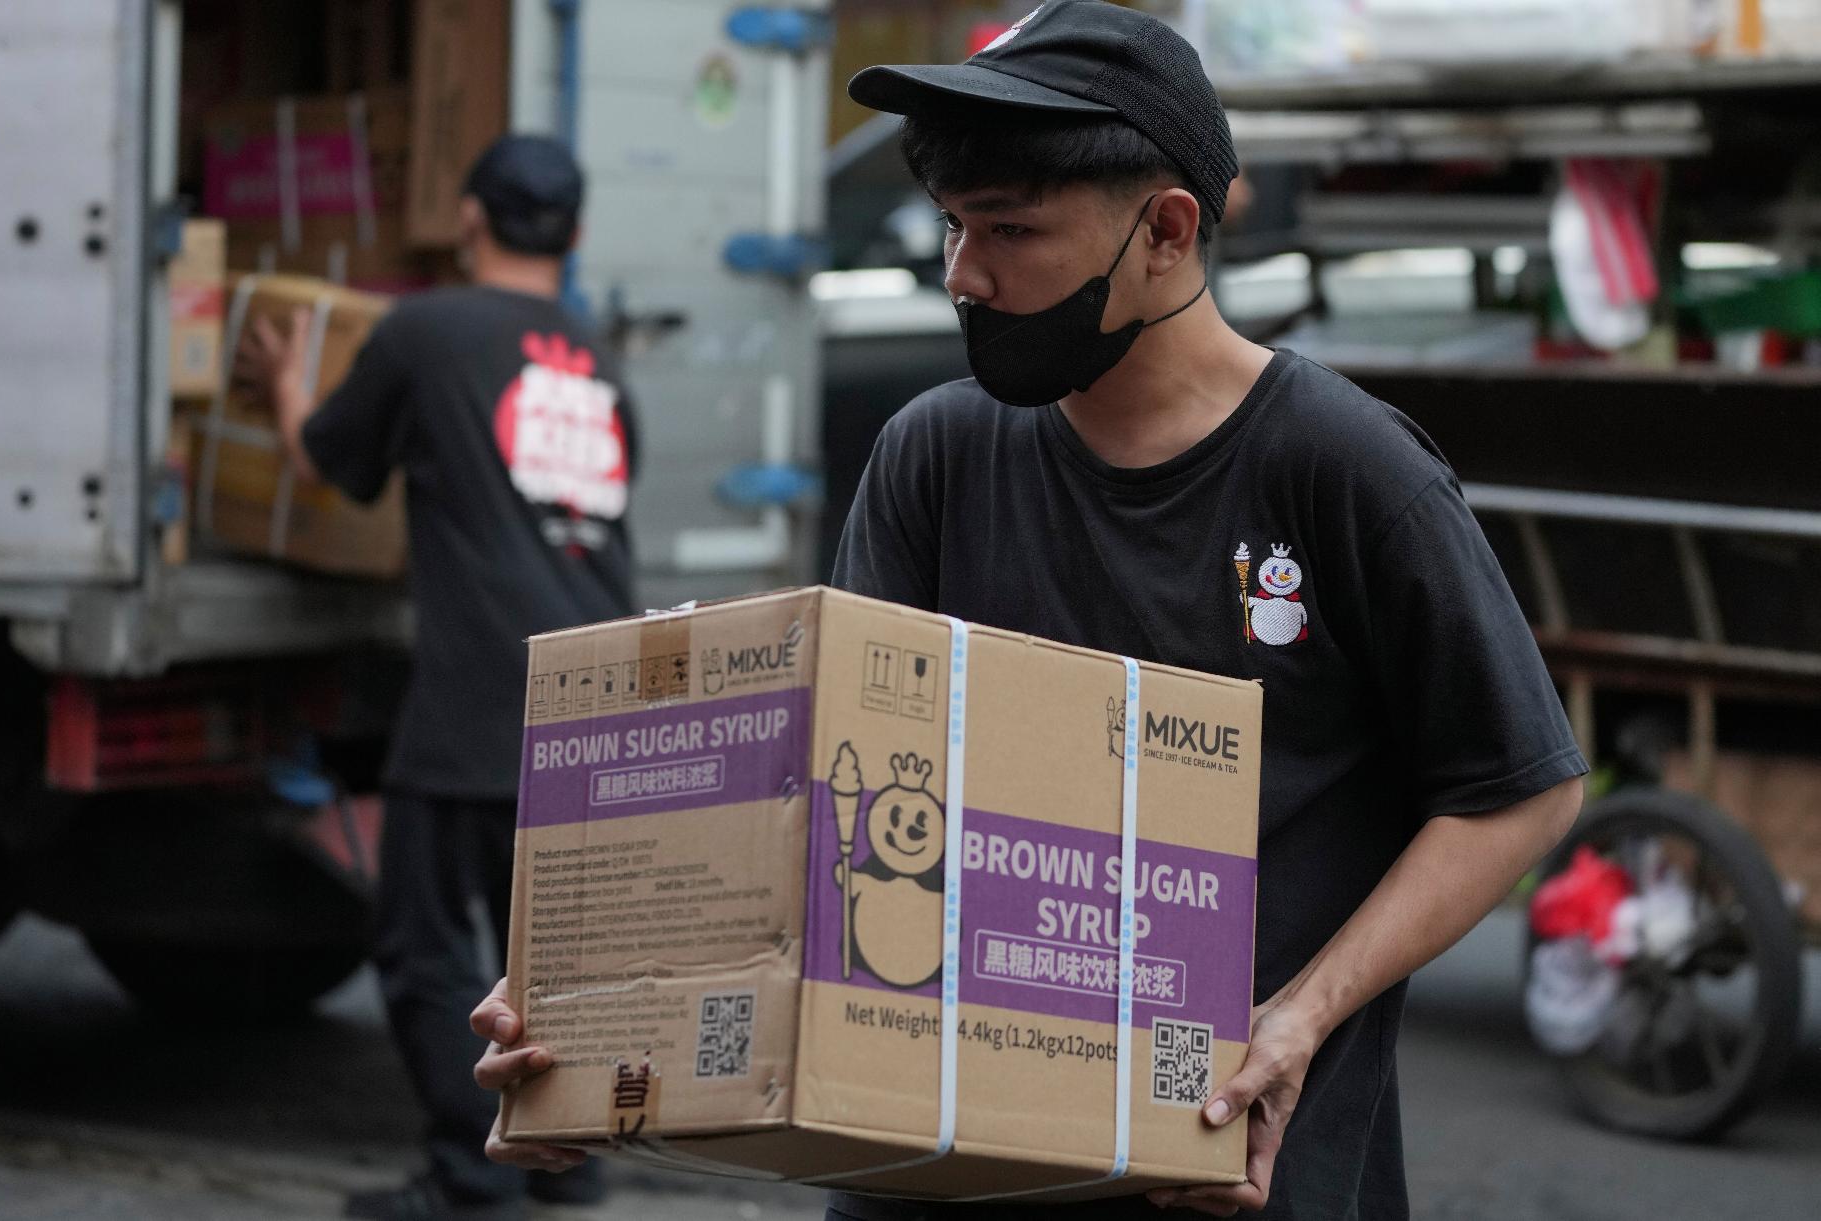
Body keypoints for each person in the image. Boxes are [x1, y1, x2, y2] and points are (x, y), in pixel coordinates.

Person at [468, 4, 1585, 1218]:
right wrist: (595, 1017)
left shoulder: (1344, 471)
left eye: (1008, 230)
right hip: (926, 1165)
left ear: (1164, 231)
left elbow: (1518, 787)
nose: (962, 275)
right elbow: (828, 795)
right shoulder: (935, 455)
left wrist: (1299, 1019)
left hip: (1221, 1169)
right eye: (953, 227)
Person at [238, 133, 632, 1221]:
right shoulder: (595, 358)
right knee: (552, 961)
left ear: (467, 220)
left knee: (421, 947)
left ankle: (472, 1176)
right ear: (577, 235)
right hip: (597, 692)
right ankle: (571, 1162)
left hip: (476, 698)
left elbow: (329, 461)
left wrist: (283, 387)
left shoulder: (424, 330)